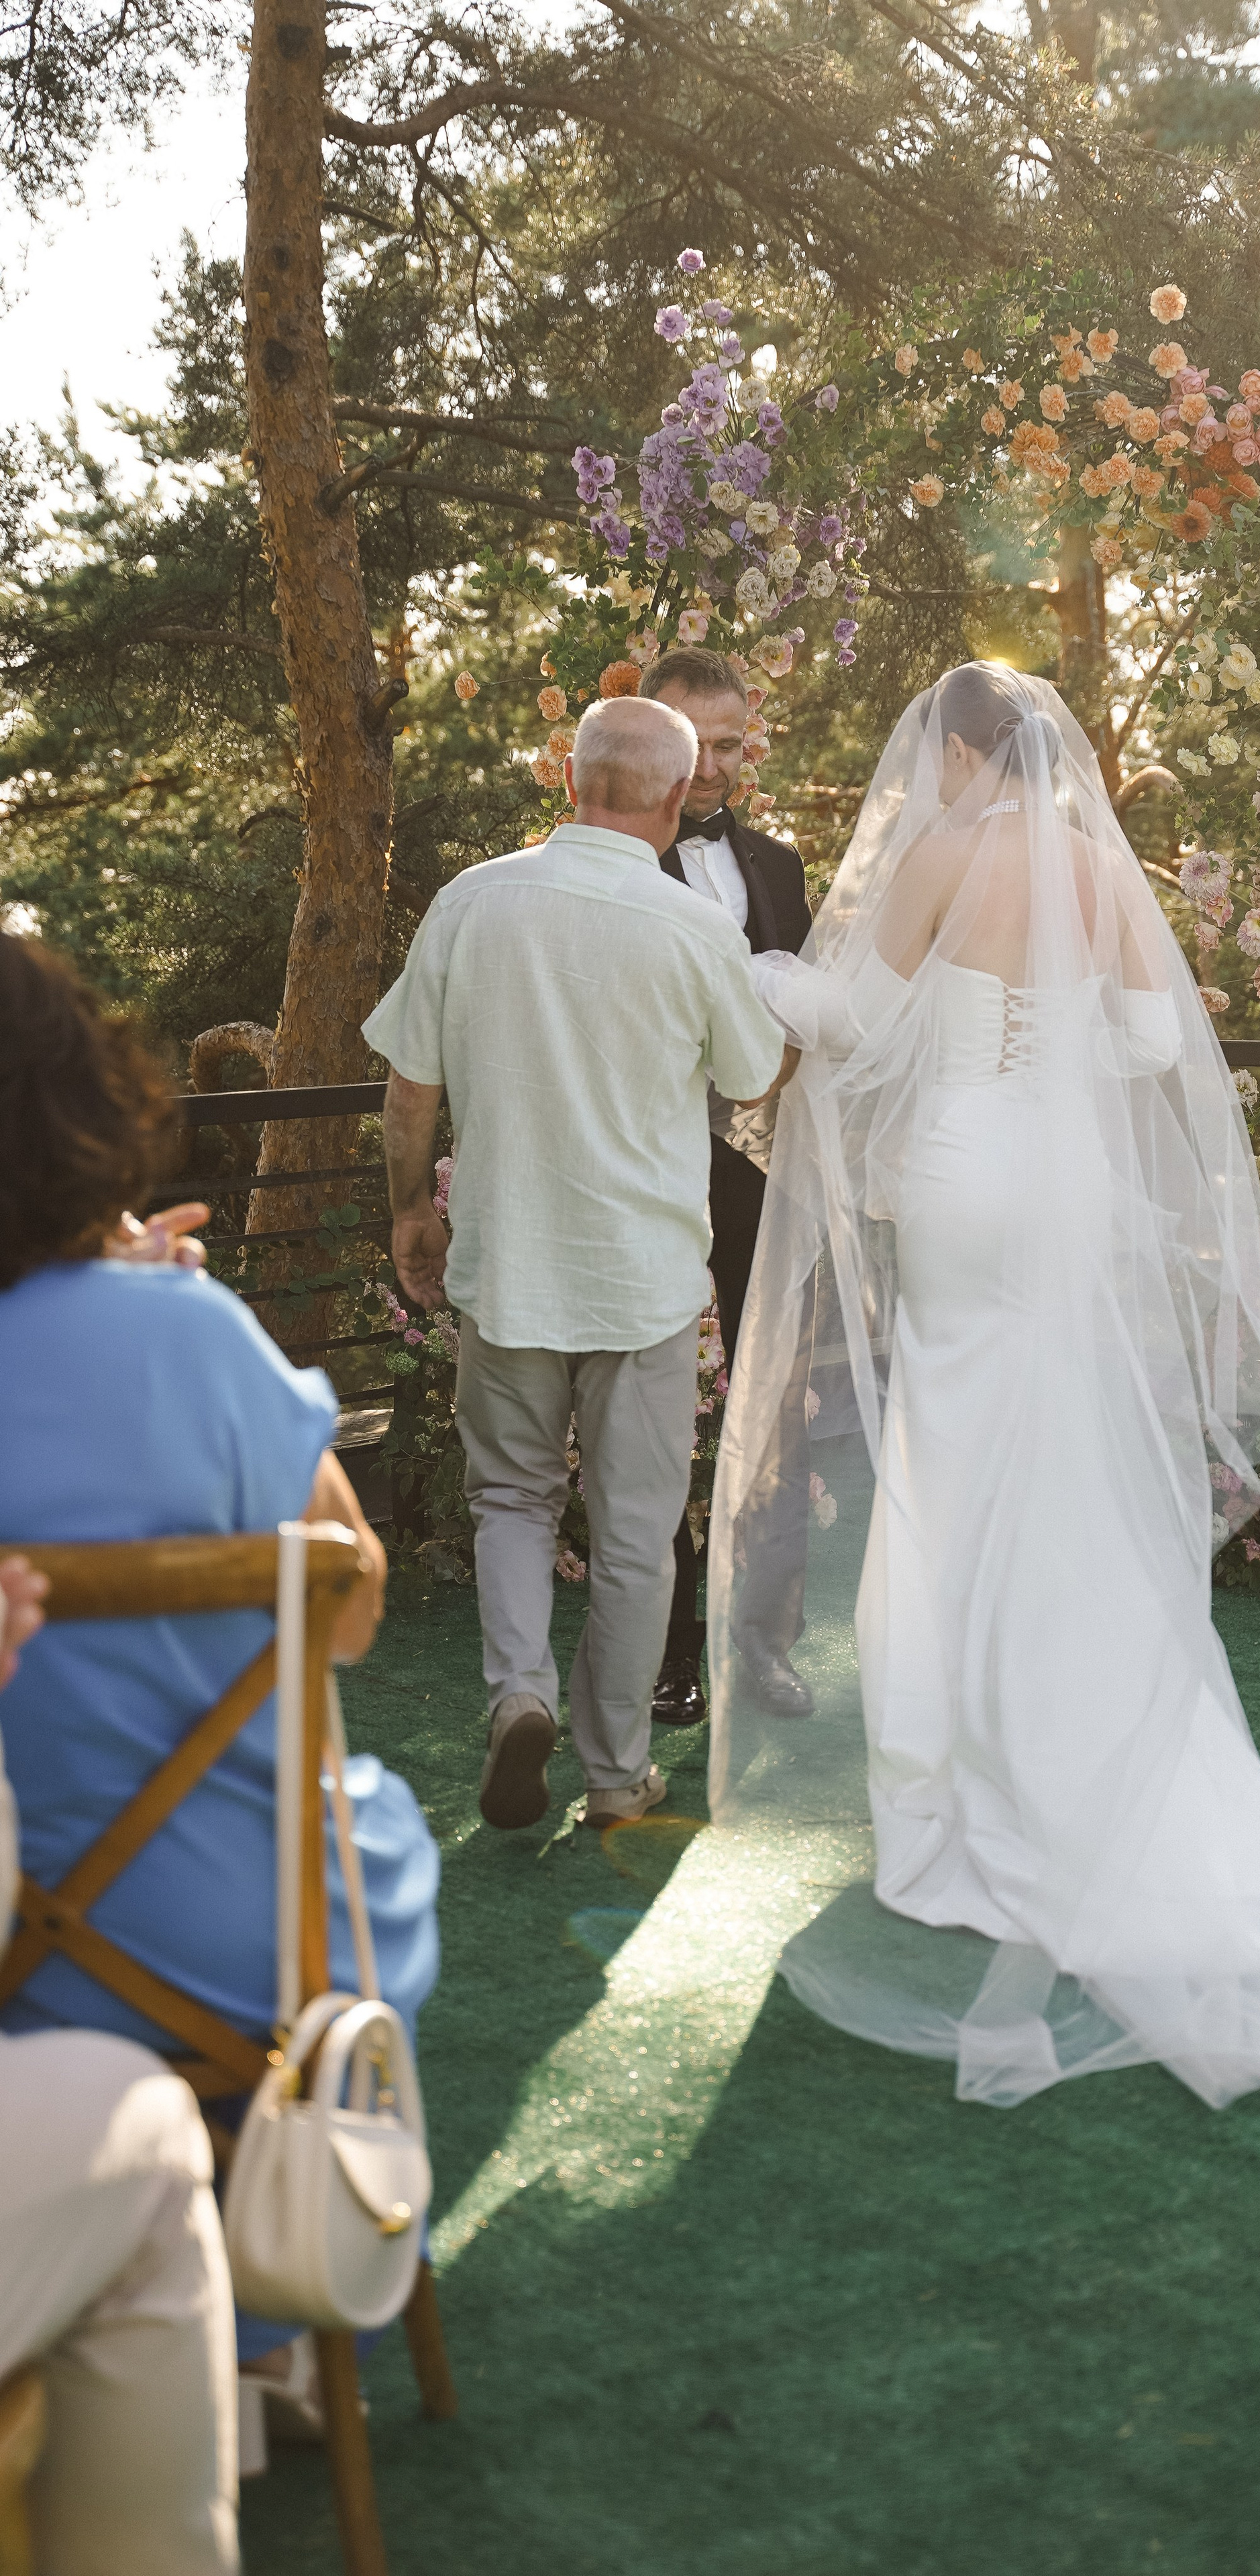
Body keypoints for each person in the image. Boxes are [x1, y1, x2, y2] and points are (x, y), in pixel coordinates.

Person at [707, 663, 1260, 2111]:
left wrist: (748, 972)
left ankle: (961, 1785)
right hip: (1066, 1191)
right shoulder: (1094, 864)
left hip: (957, 1180)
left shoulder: (945, 849)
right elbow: (1145, 1048)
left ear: (954, 748)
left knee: (949, 1451)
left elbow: (859, 1020)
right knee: (1060, 1442)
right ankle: (1090, 1749)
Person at [0, 930, 437, 2408]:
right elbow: (353, 1610)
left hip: (14, 1962)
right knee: (374, 1831)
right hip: (243, 1942)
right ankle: (265, 2336)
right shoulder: (185, 1328)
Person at [366, 694, 788, 1831]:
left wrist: (413, 1210)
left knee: (509, 1496)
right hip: (642, 1276)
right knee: (638, 1531)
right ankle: (617, 1776)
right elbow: (752, 1082)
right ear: (669, 798)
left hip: (506, 1262)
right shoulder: (695, 929)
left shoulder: (472, 900)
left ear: (571, 782)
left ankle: (518, 1695)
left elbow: (410, 1093)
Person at [0, 1553, 242, 2575]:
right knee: (135, 2126)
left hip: (63, 1953)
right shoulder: (240, 1399)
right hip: (221, 1938)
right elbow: (346, 1594)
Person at [641, 645, 816, 1726]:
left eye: (733, 743)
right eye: (695, 743)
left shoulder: (785, 870)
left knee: (776, 1407)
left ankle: (764, 1640)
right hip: (648, 1173)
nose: (714, 767)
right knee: (652, 1412)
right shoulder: (609, 866)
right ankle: (668, 1652)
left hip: (765, 1179)